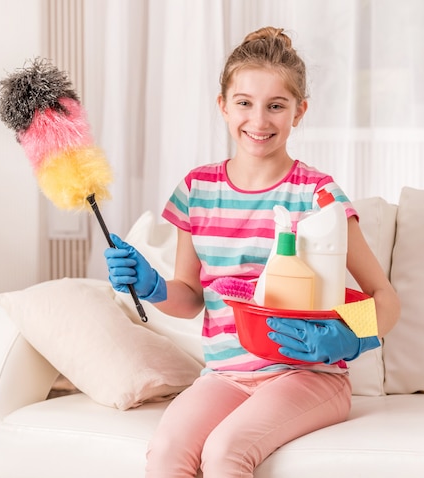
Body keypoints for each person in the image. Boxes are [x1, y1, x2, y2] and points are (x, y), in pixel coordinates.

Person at [104, 26, 400, 477]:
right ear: (222, 106)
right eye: (244, 102)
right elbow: (190, 299)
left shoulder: (318, 196)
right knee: (166, 452)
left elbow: (384, 298)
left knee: (225, 451)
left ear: (299, 112)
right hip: (225, 374)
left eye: (276, 106)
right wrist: (152, 285)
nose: (258, 121)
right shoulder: (197, 190)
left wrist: (351, 337)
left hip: (308, 376)